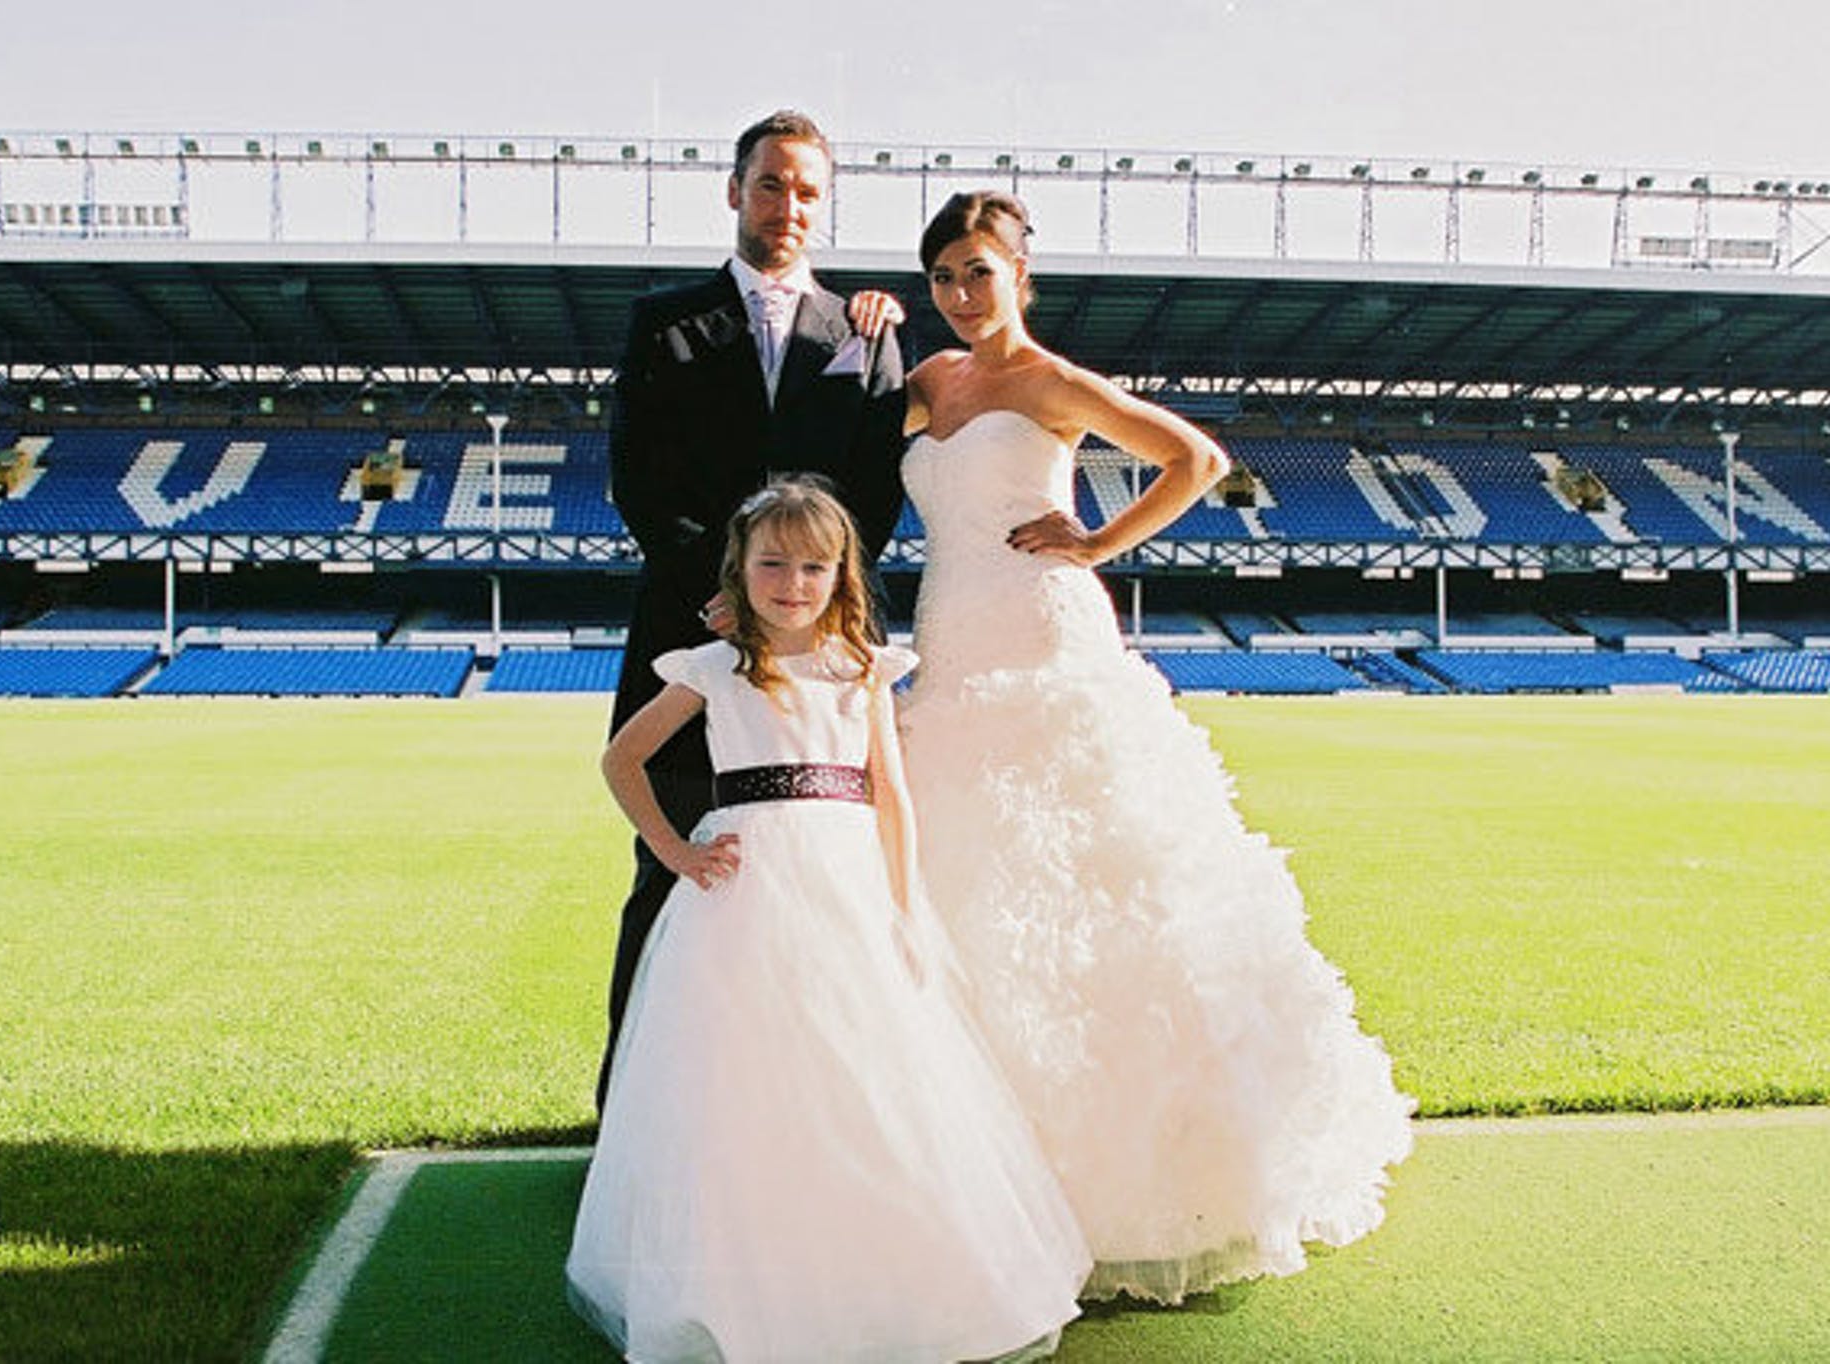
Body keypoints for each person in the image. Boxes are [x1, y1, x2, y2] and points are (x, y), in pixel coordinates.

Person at [896, 191, 1415, 1304]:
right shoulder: (927, 384)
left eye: (978, 272)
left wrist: (1094, 540)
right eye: (941, 276)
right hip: (946, 634)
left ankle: (1130, 1183)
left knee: (1095, 880)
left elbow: (1192, 456)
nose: (958, 295)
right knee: (963, 879)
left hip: (1040, 627)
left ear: (1017, 275)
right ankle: (968, 1167)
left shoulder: (1050, 381)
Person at [567, 478, 1089, 1363]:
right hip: (747, 891)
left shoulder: (862, 668)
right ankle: (746, 1265)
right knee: (747, 1070)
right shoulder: (713, 667)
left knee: (870, 1063)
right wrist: (674, 850)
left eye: (814, 566)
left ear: (841, 572)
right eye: (772, 563)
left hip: (847, 880)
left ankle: (878, 1256)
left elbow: (890, 792)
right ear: (739, 568)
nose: (793, 582)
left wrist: (903, 901)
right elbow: (623, 760)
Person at [598, 109, 909, 1108]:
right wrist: (728, 596)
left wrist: (809, 615)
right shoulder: (664, 323)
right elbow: (638, 479)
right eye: (769, 183)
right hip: (692, 632)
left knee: (821, 896)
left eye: (806, 189)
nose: (787, 205)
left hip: (818, 666)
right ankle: (633, 1123)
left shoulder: (865, 333)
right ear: (733, 190)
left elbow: (874, 494)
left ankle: (800, 1120)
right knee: (668, 875)